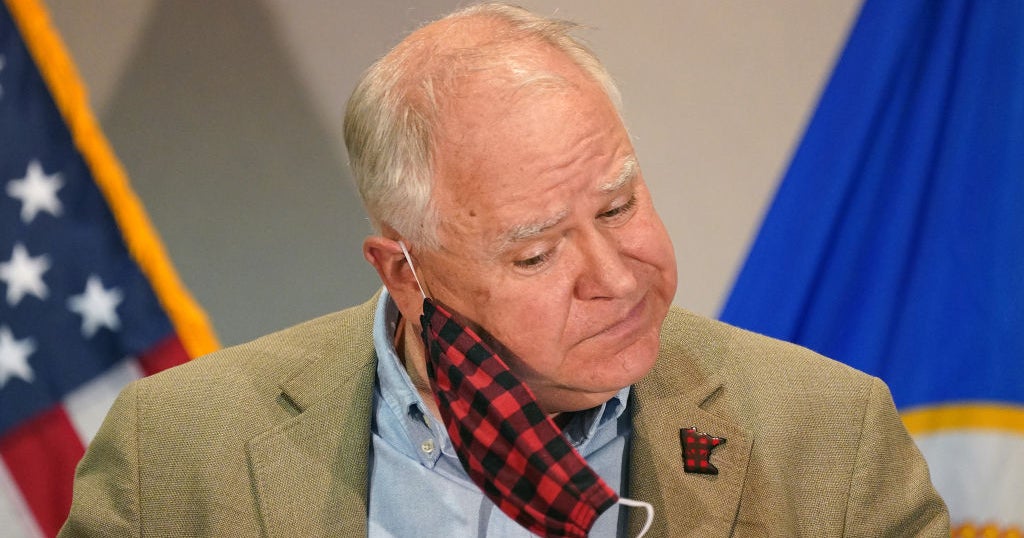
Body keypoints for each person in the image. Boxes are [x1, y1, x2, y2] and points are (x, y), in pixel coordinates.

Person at [60, 3, 948, 537]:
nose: (615, 276)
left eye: (618, 206)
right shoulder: (175, 452)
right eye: (536, 253)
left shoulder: (828, 438)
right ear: (403, 274)